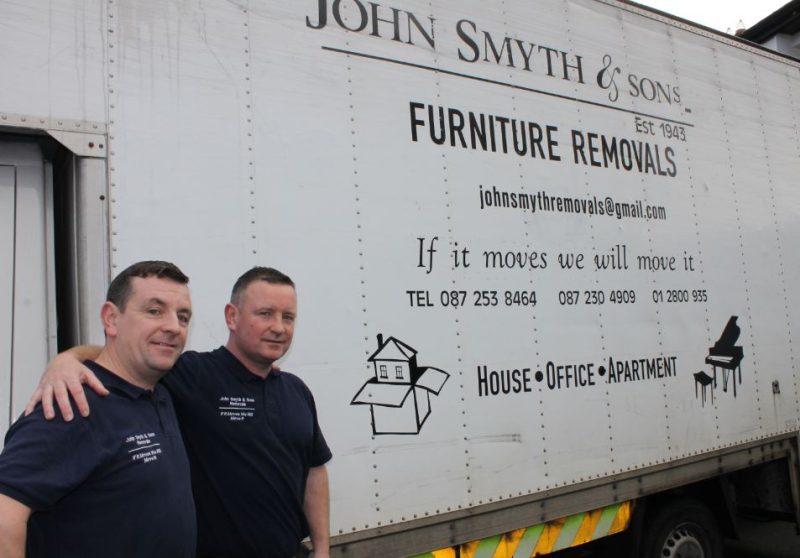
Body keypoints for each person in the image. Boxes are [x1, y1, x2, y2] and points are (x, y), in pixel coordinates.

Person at [27, 266, 332, 558]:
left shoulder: (296, 390)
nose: (278, 327)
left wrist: (321, 549)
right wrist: (66, 360)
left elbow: (314, 471)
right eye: (265, 314)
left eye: (288, 317)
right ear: (232, 316)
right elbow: (123, 354)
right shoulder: (190, 374)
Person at [0, 260, 197, 558]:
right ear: (111, 318)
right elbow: (5, 514)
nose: (173, 326)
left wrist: (68, 356)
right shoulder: (72, 404)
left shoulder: (160, 393)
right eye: (154, 311)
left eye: (182, 317)